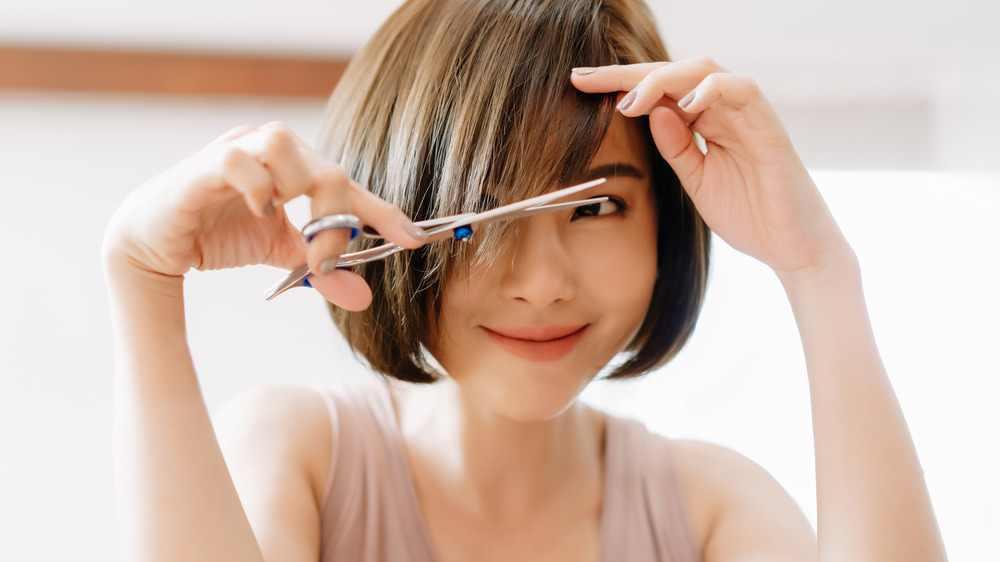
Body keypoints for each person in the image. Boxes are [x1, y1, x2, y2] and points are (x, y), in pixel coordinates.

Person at [101, 0, 947, 560]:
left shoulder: (710, 509)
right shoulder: (300, 458)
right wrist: (140, 280)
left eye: (595, 207)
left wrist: (820, 272)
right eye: (477, 216)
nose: (541, 283)